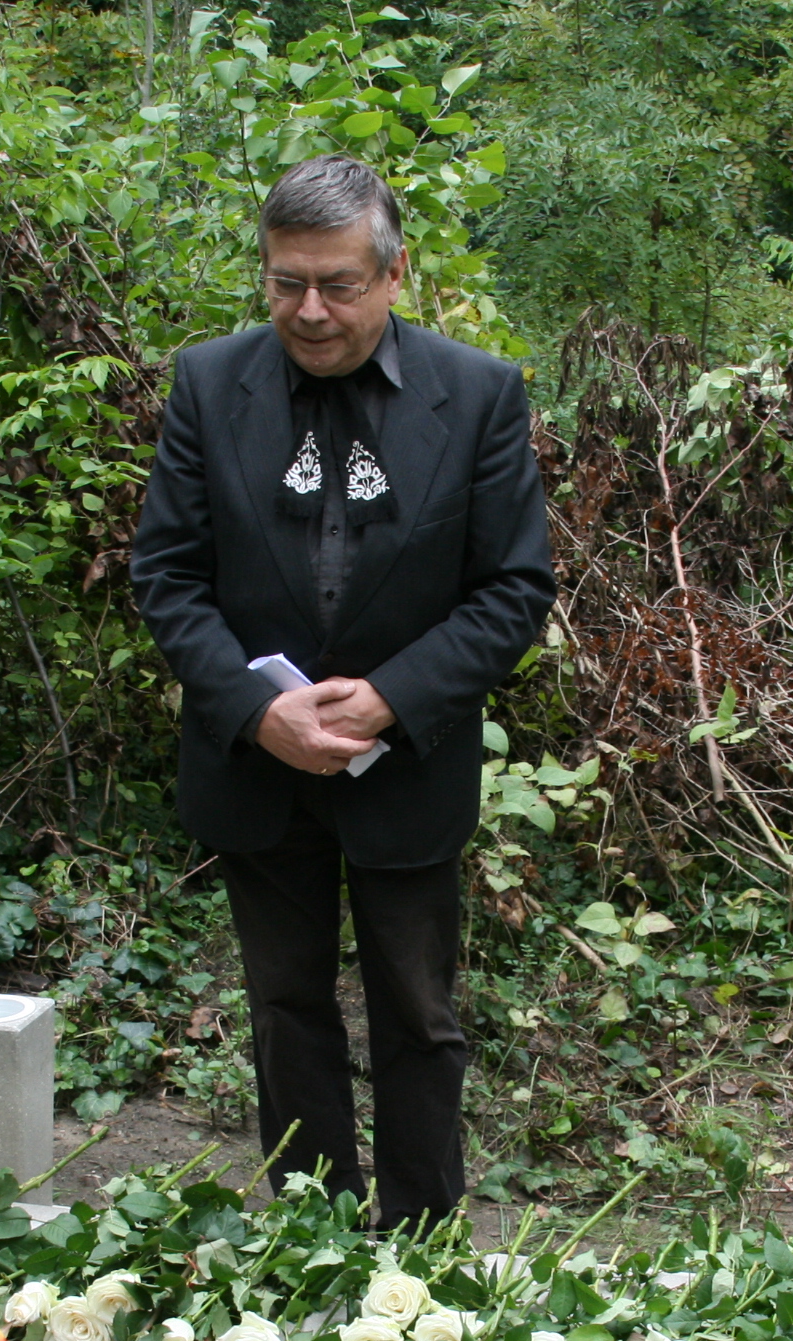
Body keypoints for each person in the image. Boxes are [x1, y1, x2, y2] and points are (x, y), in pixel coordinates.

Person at [132, 154, 555, 1230]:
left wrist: (394, 698)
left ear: (394, 273)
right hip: (255, 768)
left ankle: (421, 1240)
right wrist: (254, 710)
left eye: (337, 285)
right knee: (284, 1006)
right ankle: (314, 1233)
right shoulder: (207, 383)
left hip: (405, 769)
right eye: (286, 283)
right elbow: (167, 575)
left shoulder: (478, 394)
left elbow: (513, 588)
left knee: (418, 1010)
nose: (309, 311)